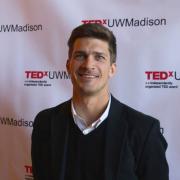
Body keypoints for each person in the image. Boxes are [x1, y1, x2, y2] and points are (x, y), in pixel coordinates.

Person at [31, 23, 169, 180]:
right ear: (68, 66)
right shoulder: (45, 123)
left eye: (99, 57)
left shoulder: (144, 130)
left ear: (112, 69)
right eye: (80, 56)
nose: (89, 65)